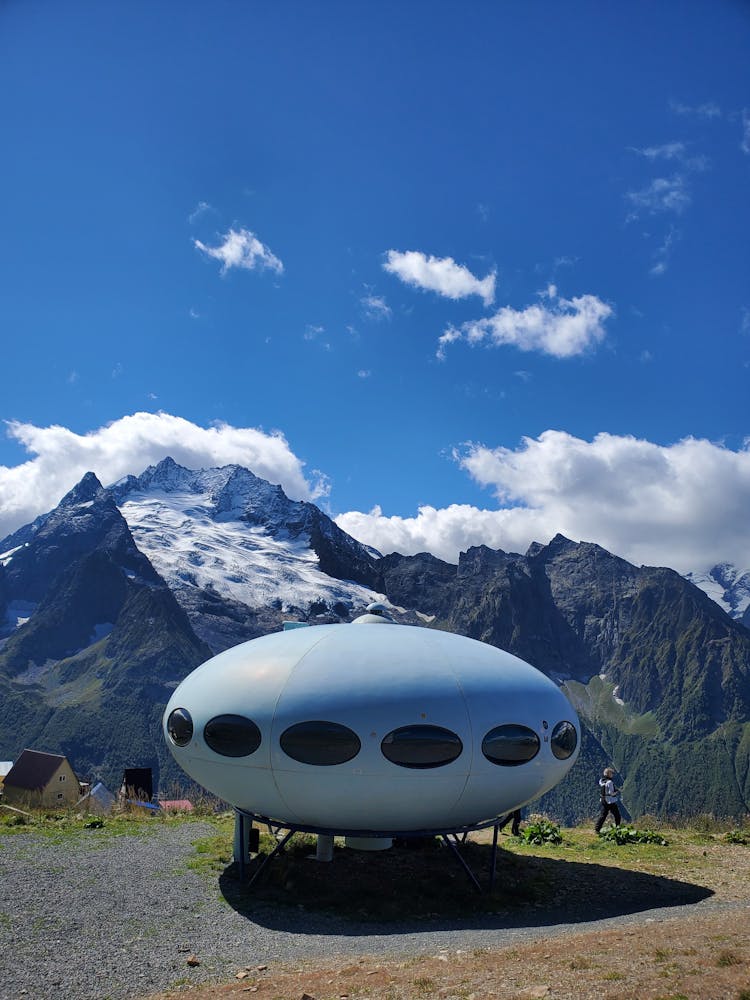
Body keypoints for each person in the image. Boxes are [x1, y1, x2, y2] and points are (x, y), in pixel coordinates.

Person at [595, 767, 622, 833]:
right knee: (617, 815)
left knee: (603, 815)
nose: (612, 774)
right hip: (610, 801)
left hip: (603, 800)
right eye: (612, 773)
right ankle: (617, 828)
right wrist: (617, 791)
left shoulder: (601, 780)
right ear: (609, 774)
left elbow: (604, 788)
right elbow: (611, 793)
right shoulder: (610, 782)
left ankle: (597, 829)